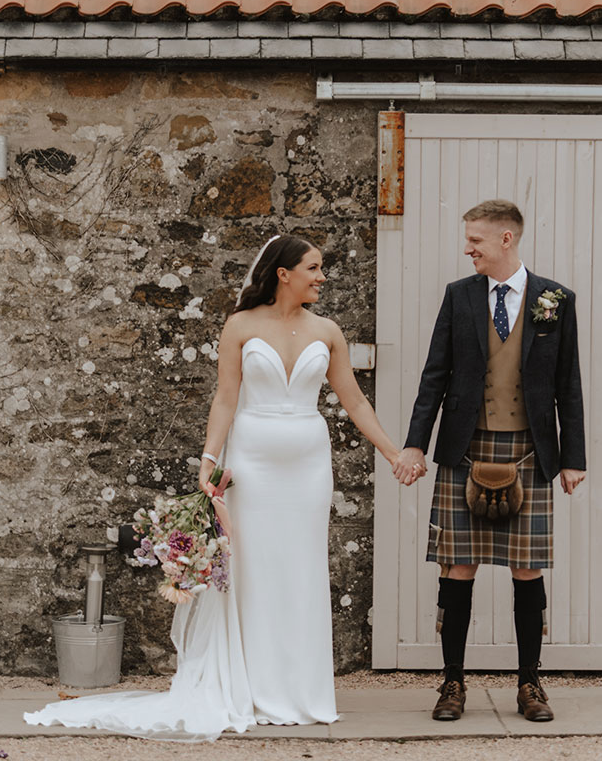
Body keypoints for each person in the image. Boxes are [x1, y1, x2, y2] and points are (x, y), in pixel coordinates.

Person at [25, 235, 401, 740]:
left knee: (300, 566)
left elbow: (355, 404)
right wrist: (209, 461)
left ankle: (301, 690)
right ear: (283, 273)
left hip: (308, 466)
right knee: (252, 568)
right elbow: (226, 399)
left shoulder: (328, 331)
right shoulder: (240, 326)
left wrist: (394, 453)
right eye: (313, 268)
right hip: (251, 464)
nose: (322, 276)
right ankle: (248, 686)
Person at [392, 199, 586, 723]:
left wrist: (574, 457)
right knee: (458, 566)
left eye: (475, 240)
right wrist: (415, 443)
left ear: (506, 239)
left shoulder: (554, 299)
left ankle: (529, 685)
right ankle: (452, 683)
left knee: (528, 568)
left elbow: (568, 382)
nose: (466, 249)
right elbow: (435, 375)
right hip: (466, 447)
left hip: (530, 450)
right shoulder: (460, 297)